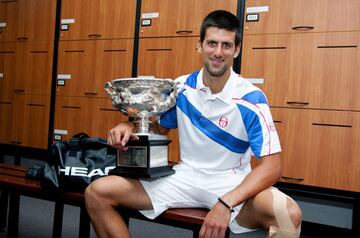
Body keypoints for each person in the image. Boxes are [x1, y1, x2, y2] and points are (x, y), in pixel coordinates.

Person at [85, 10, 302, 238]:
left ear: (236, 50)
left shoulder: (251, 98)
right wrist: (129, 126)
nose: (218, 52)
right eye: (212, 43)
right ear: (199, 45)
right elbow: (157, 129)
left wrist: (226, 203)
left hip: (231, 183)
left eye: (226, 45)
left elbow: (272, 166)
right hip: (183, 177)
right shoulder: (181, 88)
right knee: (97, 192)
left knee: (288, 214)